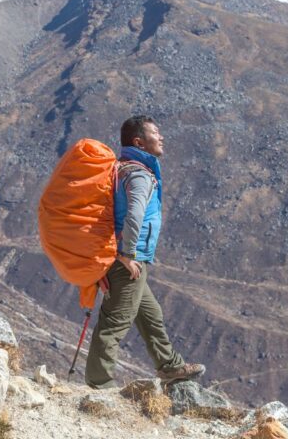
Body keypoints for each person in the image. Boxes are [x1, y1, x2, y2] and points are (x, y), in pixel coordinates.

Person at [85, 115, 206, 388]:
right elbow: (134, 214)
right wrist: (127, 255)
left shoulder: (124, 168)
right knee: (115, 323)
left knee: (151, 314)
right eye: (155, 133)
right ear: (139, 141)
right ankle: (98, 385)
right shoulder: (139, 174)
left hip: (127, 257)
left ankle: (170, 366)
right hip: (129, 259)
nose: (161, 137)